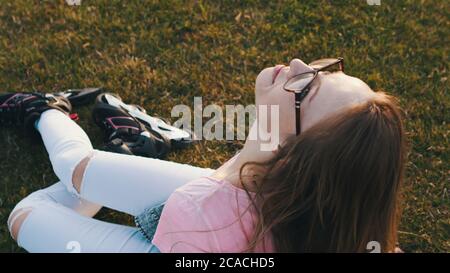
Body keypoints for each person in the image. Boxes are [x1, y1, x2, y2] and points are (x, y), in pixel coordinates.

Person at [2, 57, 406, 253]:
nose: (301, 64)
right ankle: (127, 144)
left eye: (306, 88)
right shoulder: (332, 213)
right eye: (328, 69)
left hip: (185, 240)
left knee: (24, 215)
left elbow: (198, 214)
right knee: (79, 170)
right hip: (229, 212)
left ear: (290, 152)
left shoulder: (202, 209)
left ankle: (43, 109)